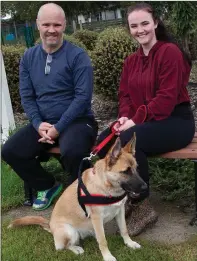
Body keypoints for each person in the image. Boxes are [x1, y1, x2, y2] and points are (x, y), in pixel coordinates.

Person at [97, 3, 195, 236]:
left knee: (132, 137)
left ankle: (141, 205)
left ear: (155, 23)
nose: (140, 30)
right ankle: (124, 195)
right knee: (105, 139)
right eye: (134, 26)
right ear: (128, 29)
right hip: (146, 122)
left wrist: (135, 121)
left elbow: (166, 97)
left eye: (144, 24)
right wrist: (123, 118)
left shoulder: (169, 52)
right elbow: (125, 95)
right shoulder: (131, 61)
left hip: (175, 121)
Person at [2, 3, 98, 211]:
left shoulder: (78, 56)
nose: (51, 29)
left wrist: (58, 128)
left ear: (64, 25)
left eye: (57, 24)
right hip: (43, 123)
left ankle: (81, 195)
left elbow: (82, 98)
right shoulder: (28, 57)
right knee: (10, 151)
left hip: (77, 121)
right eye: (46, 24)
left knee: (72, 150)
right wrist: (38, 124)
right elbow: (27, 96)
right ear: (38, 25)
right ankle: (46, 185)